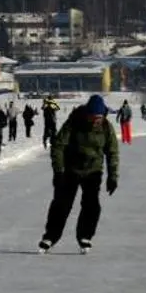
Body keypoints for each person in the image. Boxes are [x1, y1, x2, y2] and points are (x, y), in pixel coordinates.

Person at [40, 94, 120, 253]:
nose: (96, 121)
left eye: (99, 117)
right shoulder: (74, 122)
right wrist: (59, 171)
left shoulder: (106, 127)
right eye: (93, 117)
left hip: (93, 170)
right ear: (87, 114)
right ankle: (50, 236)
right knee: (62, 204)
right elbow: (58, 146)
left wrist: (113, 176)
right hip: (71, 169)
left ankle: (85, 236)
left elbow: (112, 152)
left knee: (92, 204)